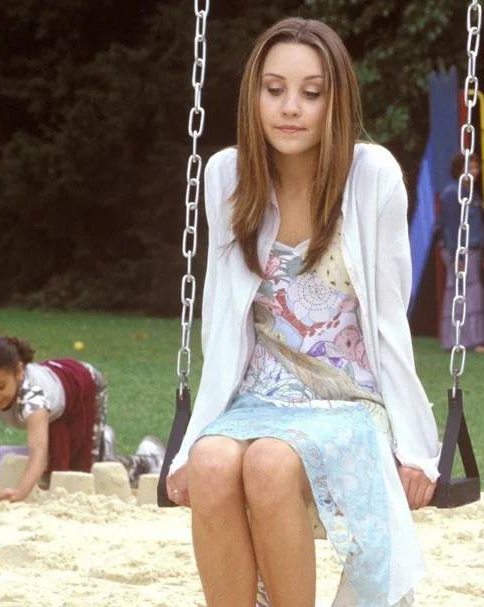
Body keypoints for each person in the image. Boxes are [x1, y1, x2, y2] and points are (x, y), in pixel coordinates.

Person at [163, 18, 440, 607]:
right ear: (253, 96)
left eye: (311, 93)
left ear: (335, 100)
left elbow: (390, 319)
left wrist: (417, 445)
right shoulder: (226, 175)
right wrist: (190, 440)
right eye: (274, 89)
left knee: (269, 463)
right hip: (258, 392)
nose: (291, 108)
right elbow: (220, 320)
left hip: (345, 396)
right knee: (213, 463)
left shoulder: (371, 176)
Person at [0, 336, 164, 501]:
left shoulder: (34, 398)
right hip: (57, 396)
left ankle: (149, 460)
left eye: (0, 387)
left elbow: (38, 453)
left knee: (82, 475)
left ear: (19, 372)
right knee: (57, 473)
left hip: (82, 386)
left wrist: (19, 493)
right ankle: (100, 441)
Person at [437, 153, 484, 353]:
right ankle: (463, 341)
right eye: (470, 168)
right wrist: (456, 256)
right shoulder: (453, 193)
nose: (475, 172)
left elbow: (478, 225)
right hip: (460, 251)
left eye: (476, 168)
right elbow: (452, 227)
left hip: (473, 250)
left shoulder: (472, 193)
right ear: (460, 170)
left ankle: (469, 340)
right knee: (460, 293)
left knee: (472, 293)